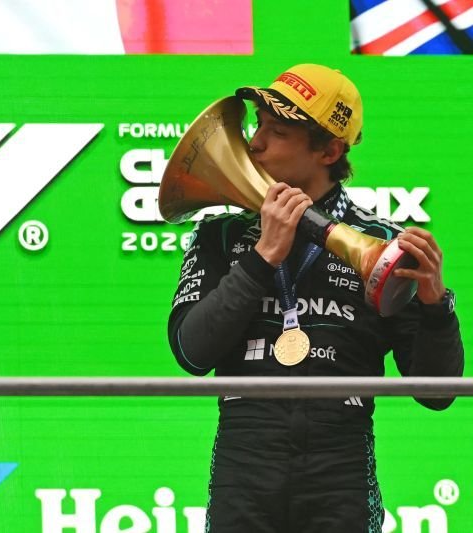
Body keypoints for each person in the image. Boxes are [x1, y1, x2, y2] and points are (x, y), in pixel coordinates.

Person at [166, 64, 464, 533]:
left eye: (278, 132)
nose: (256, 142)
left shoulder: (383, 247)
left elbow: (438, 394)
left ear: (329, 150)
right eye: (258, 125)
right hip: (245, 462)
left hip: (341, 470)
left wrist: (435, 307)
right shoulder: (220, 235)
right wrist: (263, 257)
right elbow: (191, 352)